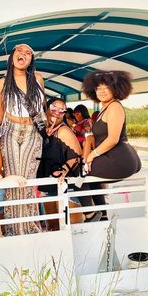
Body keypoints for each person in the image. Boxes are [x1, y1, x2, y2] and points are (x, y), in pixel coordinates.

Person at [0, 43, 46, 236]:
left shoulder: (38, 79)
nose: (23, 54)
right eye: (19, 51)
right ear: (12, 56)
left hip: (32, 132)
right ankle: (13, 229)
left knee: (28, 180)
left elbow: (43, 111)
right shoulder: (1, 83)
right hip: (10, 130)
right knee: (13, 181)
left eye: (28, 53)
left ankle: (31, 228)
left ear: (31, 60)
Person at [82, 70, 141, 211]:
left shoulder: (114, 107)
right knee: (85, 170)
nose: (101, 91)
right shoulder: (104, 108)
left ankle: (89, 212)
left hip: (120, 161)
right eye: (98, 88)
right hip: (118, 157)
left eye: (106, 87)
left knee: (78, 173)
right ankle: (101, 212)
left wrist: (91, 155)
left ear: (115, 88)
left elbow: (113, 139)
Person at [37, 98, 85, 230]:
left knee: (72, 232)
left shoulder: (63, 130)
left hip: (64, 188)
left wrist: (64, 170)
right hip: (48, 188)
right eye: (53, 108)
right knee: (53, 231)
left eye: (61, 110)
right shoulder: (43, 130)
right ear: (46, 109)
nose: (57, 113)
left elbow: (77, 156)